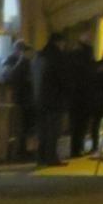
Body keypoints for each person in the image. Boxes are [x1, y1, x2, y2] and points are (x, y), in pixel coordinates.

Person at [31, 33, 69, 167]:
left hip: (39, 99)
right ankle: (51, 157)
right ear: (59, 43)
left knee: (42, 130)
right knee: (53, 130)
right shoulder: (57, 57)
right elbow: (63, 79)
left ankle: (40, 158)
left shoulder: (39, 56)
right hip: (54, 100)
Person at [1, 42, 34, 160]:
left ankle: (25, 149)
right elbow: (9, 76)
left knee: (27, 125)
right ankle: (18, 151)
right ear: (17, 50)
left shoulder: (28, 62)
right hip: (19, 98)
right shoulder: (10, 61)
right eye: (22, 50)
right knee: (19, 125)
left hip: (28, 98)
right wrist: (20, 62)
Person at [66, 35, 97, 157]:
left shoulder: (72, 56)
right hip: (85, 96)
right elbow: (91, 75)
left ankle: (76, 148)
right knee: (82, 125)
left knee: (76, 125)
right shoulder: (87, 57)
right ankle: (78, 148)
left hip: (75, 96)